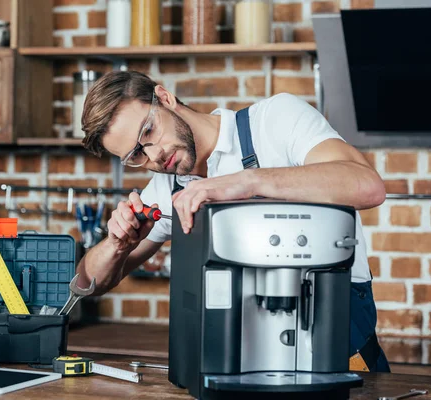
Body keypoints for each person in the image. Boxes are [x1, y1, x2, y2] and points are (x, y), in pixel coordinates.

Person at [76, 70, 390, 372]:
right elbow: (86, 285)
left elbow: (367, 186)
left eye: (149, 131)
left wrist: (247, 181)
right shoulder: (165, 189)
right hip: (246, 364)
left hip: (338, 349)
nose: (155, 154)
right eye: (136, 155)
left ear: (165, 98)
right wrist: (116, 245)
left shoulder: (275, 121)